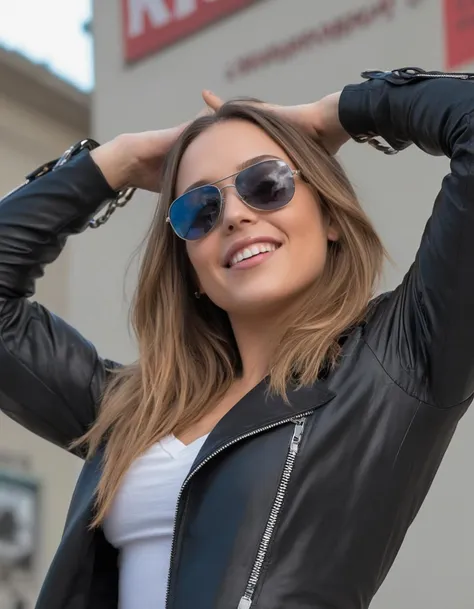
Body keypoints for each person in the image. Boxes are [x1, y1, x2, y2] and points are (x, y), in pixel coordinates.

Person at [0, 66, 473, 609]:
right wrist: (118, 162)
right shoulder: (134, 410)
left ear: (330, 217)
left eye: (266, 183)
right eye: (200, 208)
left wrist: (337, 114)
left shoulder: (398, 361)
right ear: (190, 266)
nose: (235, 215)